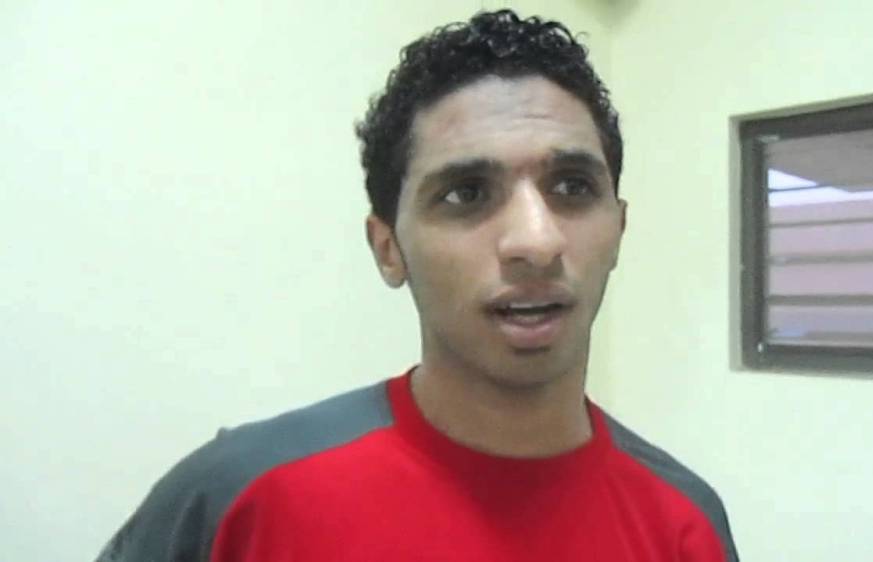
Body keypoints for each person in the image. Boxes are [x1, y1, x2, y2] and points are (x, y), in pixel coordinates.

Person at [96, 9, 739, 562]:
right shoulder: (238, 496)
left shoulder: (684, 524)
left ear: (619, 228)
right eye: (466, 193)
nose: (536, 241)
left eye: (572, 187)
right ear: (388, 249)